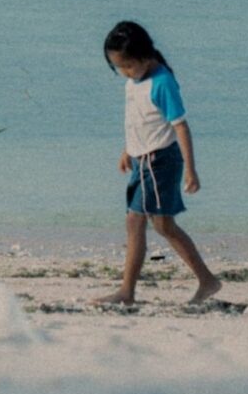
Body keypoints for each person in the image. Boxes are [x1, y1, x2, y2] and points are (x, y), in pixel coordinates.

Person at [91, 21, 221, 306]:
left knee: (144, 222)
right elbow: (139, 120)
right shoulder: (133, 82)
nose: (125, 72)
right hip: (142, 161)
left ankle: (128, 292)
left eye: (128, 66)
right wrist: (128, 150)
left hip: (159, 161)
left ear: (145, 55)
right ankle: (205, 281)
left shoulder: (162, 83)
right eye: (119, 68)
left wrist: (191, 169)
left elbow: (180, 126)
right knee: (157, 225)